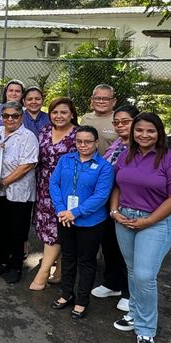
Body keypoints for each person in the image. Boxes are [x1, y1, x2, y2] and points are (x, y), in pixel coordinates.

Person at [110, 112, 171, 343]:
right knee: (133, 270)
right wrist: (114, 211)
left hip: (155, 222)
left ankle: (146, 327)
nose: (144, 135)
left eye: (150, 131)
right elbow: (117, 186)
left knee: (145, 275)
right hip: (124, 218)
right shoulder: (126, 155)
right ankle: (134, 312)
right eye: (139, 130)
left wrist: (149, 220)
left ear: (159, 133)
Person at [49, 125, 115, 318]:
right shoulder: (65, 160)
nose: (83, 145)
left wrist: (75, 212)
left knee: (86, 261)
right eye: (79, 141)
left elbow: (101, 196)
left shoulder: (104, 167)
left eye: (88, 141)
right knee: (68, 257)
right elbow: (54, 184)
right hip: (65, 217)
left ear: (96, 143)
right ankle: (66, 294)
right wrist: (62, 210)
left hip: (91, 222)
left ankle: (82, 301)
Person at [92, 105, 140, 312]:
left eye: (125, 122)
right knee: (110, 244)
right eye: (117, 122)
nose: (120, 126)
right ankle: (112, 283)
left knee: (127, 251)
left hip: (129, 204)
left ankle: (130, 293)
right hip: (109, 203)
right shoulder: (118, 144)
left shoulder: (140, 147)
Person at [29, 97, 78, 291]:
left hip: (66, 188)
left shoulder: (78, 135)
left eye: (63, 112)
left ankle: (43, 272)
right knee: (46, 227)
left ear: (72, 114)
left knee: (57, 228)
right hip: (43, 185)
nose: (59, 116)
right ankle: (59, 271)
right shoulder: (44, 131)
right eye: (55, 112)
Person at [0, 101, 39, 284]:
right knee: (1, 227)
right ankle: (1, 261)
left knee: (18, 230)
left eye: (14, 116)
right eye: (6, 116)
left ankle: (16, 265)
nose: (10, 119)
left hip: (19, 190)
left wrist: (4, 182)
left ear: (21, 117)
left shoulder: (28, 136)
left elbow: (27, 165)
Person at [80, 83, 118, 154]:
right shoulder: (86, 118)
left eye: (106, 99)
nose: (101, 102)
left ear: (114, 101)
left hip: (111, 164)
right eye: (97, 98)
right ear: (92, 100)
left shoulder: (119, 120)